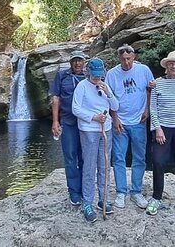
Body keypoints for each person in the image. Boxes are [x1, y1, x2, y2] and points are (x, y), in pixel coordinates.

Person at [106, 44, 154, 209]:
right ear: (119, 59)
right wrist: (115, 119)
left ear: (134, 56)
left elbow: (150, 90)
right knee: (118, 157)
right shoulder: (112, 74)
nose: (126, 62)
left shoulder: (144, 70)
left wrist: (147, 109)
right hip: (120, 122)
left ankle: (136, 192)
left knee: (139, 157)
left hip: (139, 121)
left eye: (129, 58)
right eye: (123, 59)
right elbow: (108, 98)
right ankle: (121, 192)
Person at [72, 57, 119, 223]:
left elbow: (115, 107)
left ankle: (103, 199)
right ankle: (88, 203)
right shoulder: (82, 86)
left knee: (105, 165)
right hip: (89, 131)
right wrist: (93, 117)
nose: (97, 78)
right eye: (95, 75)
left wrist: (108, 92)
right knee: (89, 166)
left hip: (106, 129)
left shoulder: (105, 85)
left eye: (100, 75)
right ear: (88, 73)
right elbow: (75, 108)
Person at [146, 51, 175, 221]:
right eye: (171, 63)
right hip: (162, 129)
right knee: (158, 162)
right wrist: (157, 129)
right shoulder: (157, 83)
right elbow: (153, 108)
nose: (173, 66)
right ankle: (157, 197)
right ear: (166, 66)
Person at [49, 50, 87, 206]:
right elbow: (56, 98)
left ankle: (86, 188)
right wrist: (55, 121)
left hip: (86, 123)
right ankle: (74, 192)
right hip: (68, 122)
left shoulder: (88, 76)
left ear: (84, 62)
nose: (77, 63)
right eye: (74, 60)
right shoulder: (61, 75)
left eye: (80, 60)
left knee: (85, 157)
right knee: (70, 157)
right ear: (70, 62)